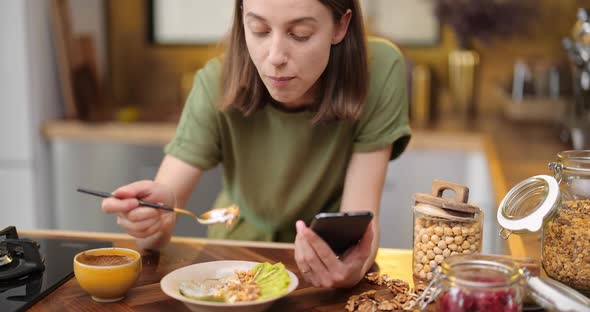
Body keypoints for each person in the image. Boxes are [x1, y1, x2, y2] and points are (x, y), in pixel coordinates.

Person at [101, 0, 411, 288]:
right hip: (234, 261)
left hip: (327, 258)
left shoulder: (380, 69)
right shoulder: (215, 82)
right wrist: (152, 220)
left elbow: (360, 218)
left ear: (340, 26)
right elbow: (163, 206)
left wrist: (352, 268)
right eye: (259, 30)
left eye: (300, 34)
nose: (275, 57)